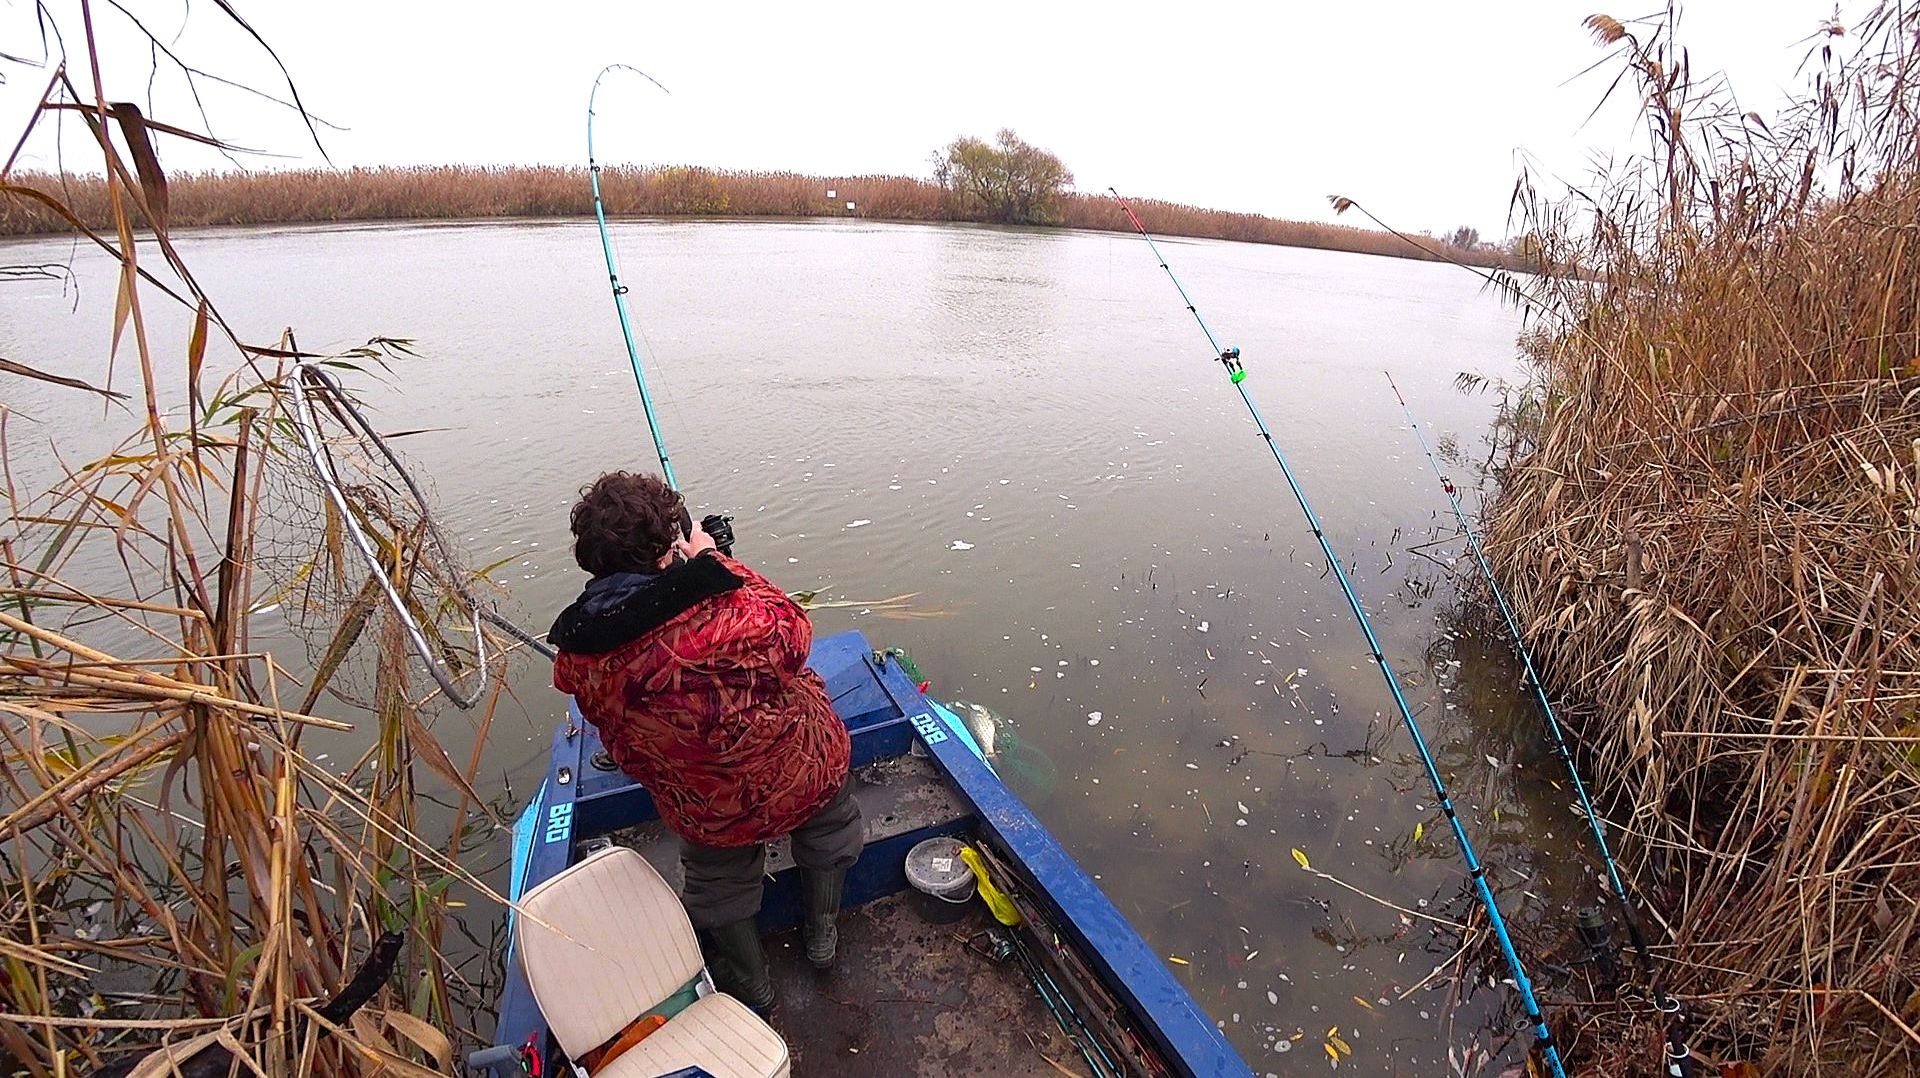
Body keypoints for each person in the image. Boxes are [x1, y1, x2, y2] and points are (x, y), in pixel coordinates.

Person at [549, 471, 863, 1011]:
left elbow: (611, 721)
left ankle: (753, 984)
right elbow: (795, 632)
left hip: (704, 805)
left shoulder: (579, 656)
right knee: (830, 820)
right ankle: (822, 938)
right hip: (796, 771)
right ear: (665, 550)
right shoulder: (724, 617)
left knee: (717, 880)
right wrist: (715, 563)